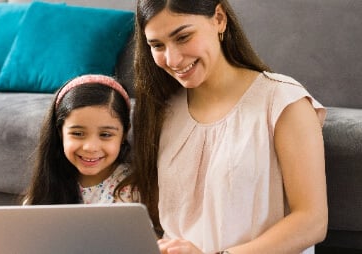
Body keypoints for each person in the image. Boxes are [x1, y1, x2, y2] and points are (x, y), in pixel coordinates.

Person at [129, 0, 328, 253]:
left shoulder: (283, 101)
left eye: (183, 37)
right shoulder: (163, 109)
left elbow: (311, 222)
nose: (173, 59)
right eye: (157, 45)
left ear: (219, 18)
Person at [21, 74, 138, 205]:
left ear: (123, 134)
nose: (90, 147)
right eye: (77, 133)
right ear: (60, 132)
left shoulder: (132, 190)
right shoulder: (48, 181)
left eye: (105, 135)